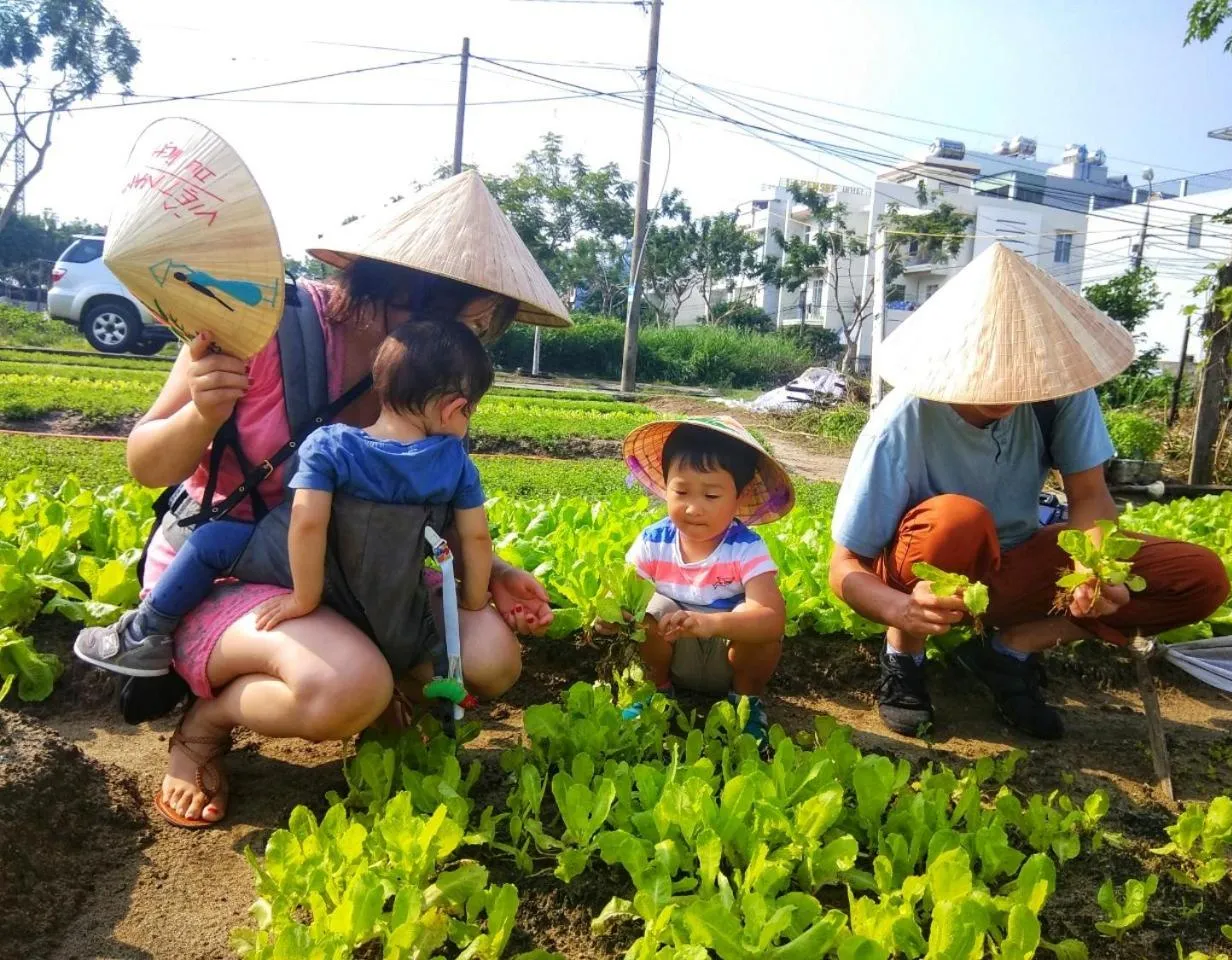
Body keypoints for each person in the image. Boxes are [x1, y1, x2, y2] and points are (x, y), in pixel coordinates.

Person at [121, 170, 570, 827]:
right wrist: (200, 415)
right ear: (398, 291)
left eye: (478, 330)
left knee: (490, 658)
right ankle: (203, 726)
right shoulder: (264, 325)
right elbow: (146, 461)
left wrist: (492, 573)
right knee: (349, 685)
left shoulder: (434, 377)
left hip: (355, 575)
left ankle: (390, 704)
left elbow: (430, 508)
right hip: (228, 568)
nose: (464, 347)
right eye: (459, 322)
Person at [827, 243, 1230, 741]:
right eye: (986, 375)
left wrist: (1094, 570)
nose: (1006, 393)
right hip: (925, 573)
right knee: (957, 520)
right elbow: (844, 566)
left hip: (1016, 561)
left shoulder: (1058, 393)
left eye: (1019, 375)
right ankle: (904, 657)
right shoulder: (902, 422)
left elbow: (1089, 496)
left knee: (1199, 578)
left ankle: (1008, 650)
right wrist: (900, 610)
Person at [75, 319, 496, 677]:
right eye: (470, 412)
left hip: (320, 578)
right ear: (453, 408)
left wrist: (305, 597)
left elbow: (307, 523)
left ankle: (144, 632)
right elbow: (475, 539)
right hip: (392, 605)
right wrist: (474, 599)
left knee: (211, 542)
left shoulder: (330, 446)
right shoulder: (456, 465)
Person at [620, 417, 793, 741]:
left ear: (739, 499)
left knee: (754, 620)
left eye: (711, 496)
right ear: (665, 487)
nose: (693, 508)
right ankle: (654, 693)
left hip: (727, 659)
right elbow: (621, 596)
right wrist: (613, 616)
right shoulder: (652, 541)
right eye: (681, 491)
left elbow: (772, 621)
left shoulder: (746, 548)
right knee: (643, 605)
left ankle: (745, 703)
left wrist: (710, 624)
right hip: (669, 655)